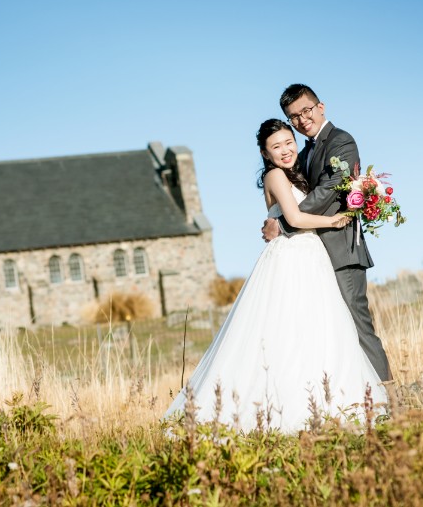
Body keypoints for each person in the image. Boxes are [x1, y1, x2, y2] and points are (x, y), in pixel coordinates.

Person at [163, 119, 387, 433]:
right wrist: (335, 221)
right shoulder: (275, 175)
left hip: (310, 255)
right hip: (291, 256)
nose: (285, 150)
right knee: (285, 329)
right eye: (276, 146)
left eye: (288, 142)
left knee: (317, 329)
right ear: (266, 154)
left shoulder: (300, 171)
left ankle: (326, 400)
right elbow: (294, 217)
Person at [262, 84, 392, 383]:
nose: (302, 119)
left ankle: (388, 396)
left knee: (357, 326)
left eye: (306, 110)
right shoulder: (303, 153)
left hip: (341, 250)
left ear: (321, 107)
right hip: (312, 256)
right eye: (293, 116)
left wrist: (282, 223)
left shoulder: (341, 141)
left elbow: (330, 189)